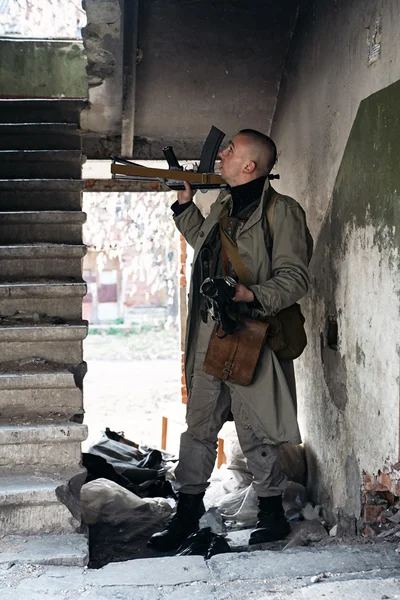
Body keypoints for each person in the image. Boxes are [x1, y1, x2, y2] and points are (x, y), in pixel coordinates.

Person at [149, 129, 313, 551]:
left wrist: (249, 294)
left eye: (230, 149)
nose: (220, 154)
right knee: (198, 426)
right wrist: (185, 207)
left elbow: (295, 278)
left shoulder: (283, 212)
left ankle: (272, 515)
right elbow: (205, 246)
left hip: (252, 332)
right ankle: (185, 515)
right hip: (212, 332)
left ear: (250, 166)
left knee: (256, 429)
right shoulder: (222, 204)